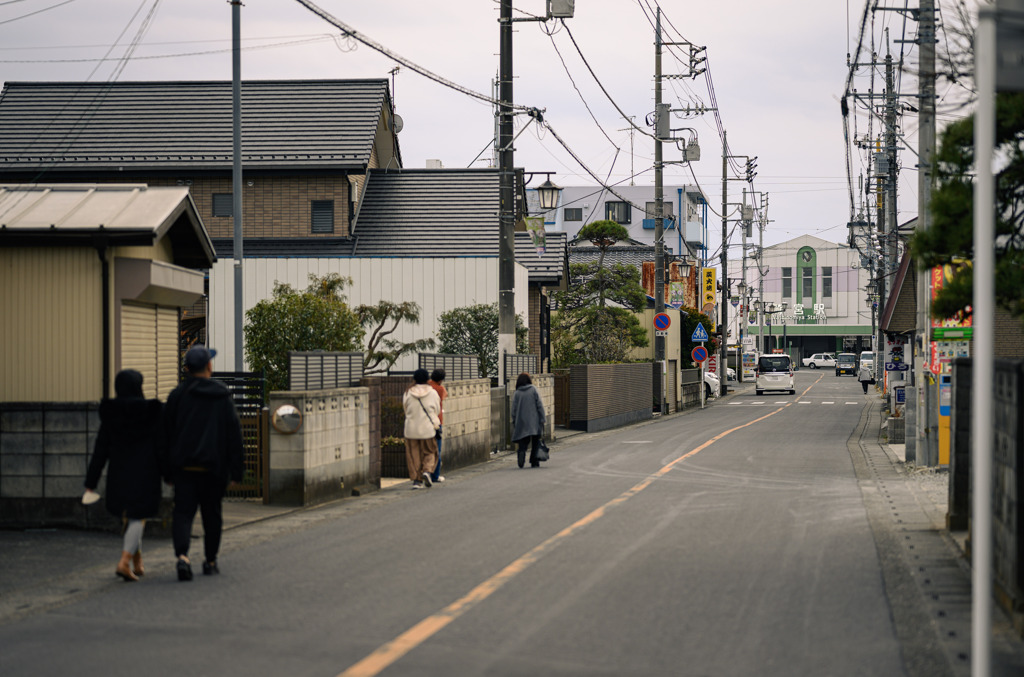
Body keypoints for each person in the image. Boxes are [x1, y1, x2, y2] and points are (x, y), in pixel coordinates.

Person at [161, 345, 243, 581]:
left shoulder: (177, 396)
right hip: (213, 468)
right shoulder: (222, 395)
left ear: (187, 369)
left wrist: (166, 470)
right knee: (212, 515)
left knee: (183, 513)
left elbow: (165, 435)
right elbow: (233, 435)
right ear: (209, 366)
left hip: (183, 468)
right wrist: (236, 470)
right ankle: (210, 561)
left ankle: (182, 557)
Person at [84, 369, 163, 582]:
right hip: (145, 474)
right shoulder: (150, 412)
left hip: (119, 475)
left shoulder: (111, 414)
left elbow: (100, 451)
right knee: (138, 517)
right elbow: (161, 447)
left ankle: (137, 562)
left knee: (131, 517)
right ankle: (124, 561)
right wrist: (169, 473)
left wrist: (91, 483)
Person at [403, 368, 441, 489]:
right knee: (431, 451)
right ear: (427, 379)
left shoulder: (408, 392)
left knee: (414, 455)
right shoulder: (432, 392)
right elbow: (437, 410)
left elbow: (405, 408)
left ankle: (416, 481)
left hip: (411, 429)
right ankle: (427, 471)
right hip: (427, 429)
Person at [510, 372, 546, 469]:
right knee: (535, 441)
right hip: (534, 420)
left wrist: (514, 419)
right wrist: (542, 418)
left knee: (523, 441)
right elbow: (539, 405)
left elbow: (513, 409)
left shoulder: (517, 393)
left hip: (521, 421)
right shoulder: (533, 389)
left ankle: (521, 453)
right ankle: (534, 460)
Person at [427, 368, 448, 484]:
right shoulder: (439, 389)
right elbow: (445, 395)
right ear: (441, 380)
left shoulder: (427, 386)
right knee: (437, 450)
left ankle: (425, 472)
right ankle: (435, 475)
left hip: (423, 423)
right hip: (436, 422)